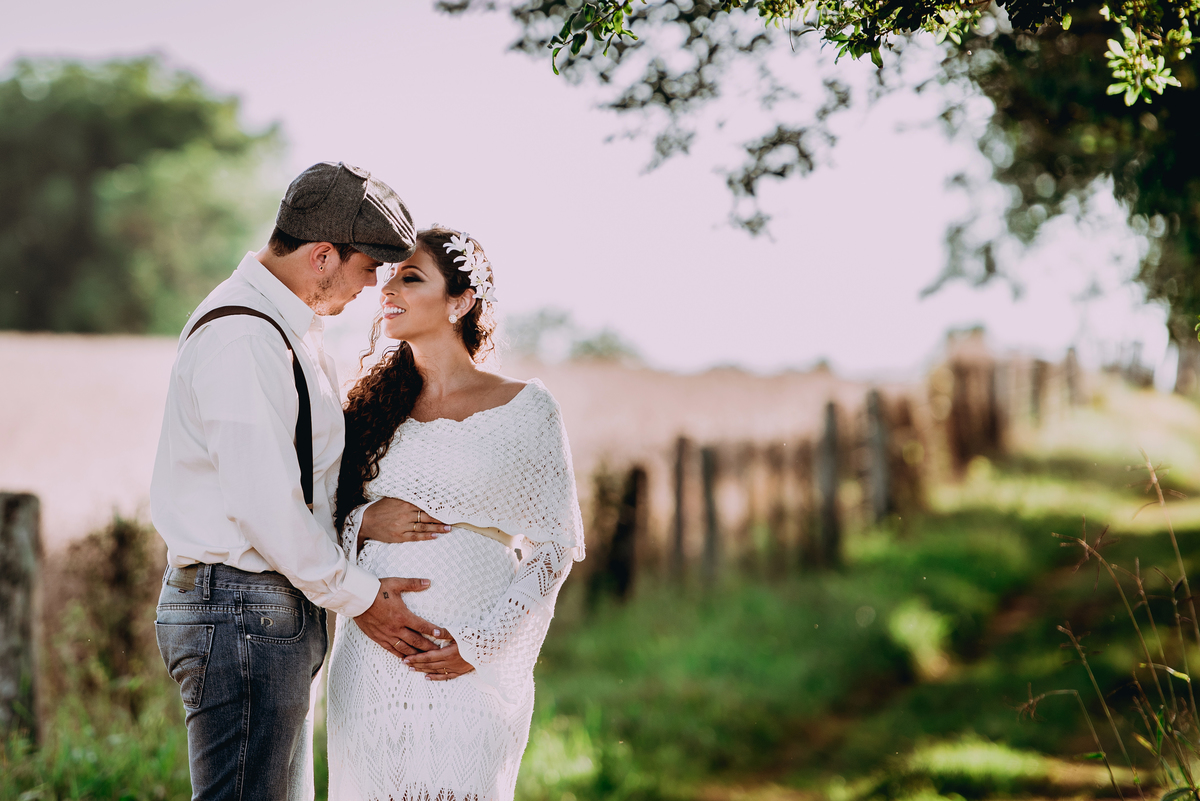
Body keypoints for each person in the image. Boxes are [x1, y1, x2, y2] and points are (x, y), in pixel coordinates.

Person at [151, 162, 445, 800]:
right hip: (242, 610)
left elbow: (297, 485)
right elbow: (265, 507)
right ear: (322, 256)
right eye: (368, 269)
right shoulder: (243, 338)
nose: (372, 287)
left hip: (260, 609)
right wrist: (362, 598)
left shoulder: (286, 329)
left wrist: (357, 527)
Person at [326, 227, 586, 801]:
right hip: (371, 651)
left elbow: (553, 547)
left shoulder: (526, 408)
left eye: (410, 277)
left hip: (466, 652)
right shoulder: (364, 411)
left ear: (461, 301)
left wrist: (482, 646)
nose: (387, 287)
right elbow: (316, 519)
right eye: (388, 275)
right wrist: (363, 525)